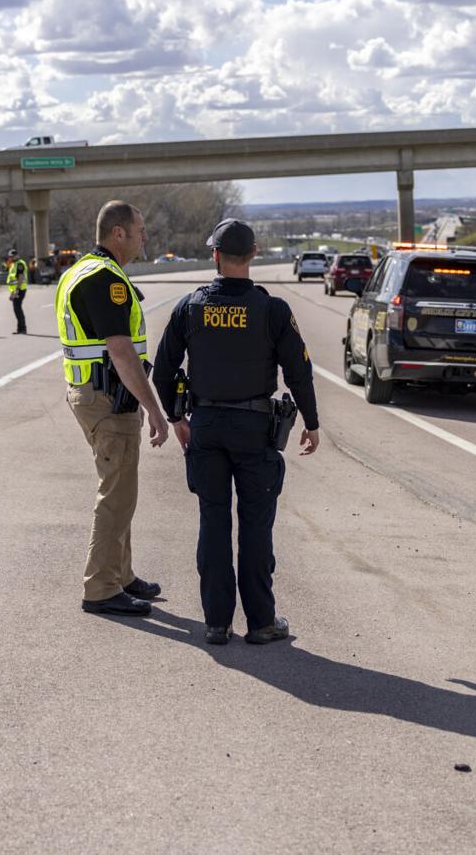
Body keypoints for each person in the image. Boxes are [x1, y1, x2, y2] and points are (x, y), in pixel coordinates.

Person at [151, 218, 320, 646]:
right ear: (254, 255)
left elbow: (165, 368)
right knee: (256, 527)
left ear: (214, 256)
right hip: (254, 429)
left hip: (205, 426)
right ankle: (261, 622)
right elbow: (299, 372)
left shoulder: (191, 306)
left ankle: (216, 623)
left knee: (213, 522)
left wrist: (177, 418)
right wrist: (312, 423)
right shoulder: (272, 309)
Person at [56, 200, 170, 617]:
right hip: (107, 398)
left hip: (92, 393)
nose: (144, 237)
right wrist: (155, 411)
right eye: (139, 230)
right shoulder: (106, 280)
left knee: (122, 489)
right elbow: (121, 352)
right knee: (116, 493)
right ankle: (101, 587)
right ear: (118, 233)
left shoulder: (82, 269)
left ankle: (121, 574)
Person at [4, 248, 28, 334]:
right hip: (16, 290)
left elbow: (20, 277)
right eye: (10, 256)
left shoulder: (20, 264)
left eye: (13, 256)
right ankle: (20, 329)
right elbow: (12, 280)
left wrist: (17, 290)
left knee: (17, 308)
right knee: (17, 309)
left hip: (20, 289)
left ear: (17, 255)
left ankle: (22, 329)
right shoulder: (13, 265)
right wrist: (11, 293)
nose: (11, 258)